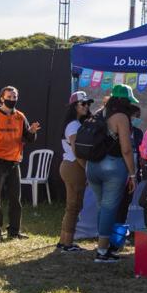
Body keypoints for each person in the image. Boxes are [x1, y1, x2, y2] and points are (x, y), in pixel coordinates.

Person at [86, 84, 138, 262]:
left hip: (92, 166)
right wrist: (132, 174)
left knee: (103, 207)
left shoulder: (100, 112)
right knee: (109, 208)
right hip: (112, 166)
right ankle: (102, 252)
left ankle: (103, 245)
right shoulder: (121, 117)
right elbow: (126, 150)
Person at [0, 86, 40, 241]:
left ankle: (14, 231)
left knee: (15, 198)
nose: (12, 99)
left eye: (14, 96)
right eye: (9, 96)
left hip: (14, 162)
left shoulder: (20, 116)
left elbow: (28, 139)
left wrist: (32, 132)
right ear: (2, 98)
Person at [57, 90, 92, 252]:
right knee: (74, 205)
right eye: (83, 104)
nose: (86, 106)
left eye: (88, 103)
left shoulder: (75, 124)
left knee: (72, 206)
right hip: (73, 166)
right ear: (74, 107)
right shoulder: (73, 125)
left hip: (70, 165)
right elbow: (77, 150)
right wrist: (87, 169)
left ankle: (64, 241)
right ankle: (67, 244)